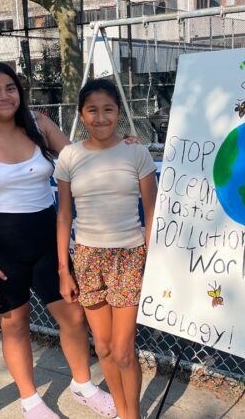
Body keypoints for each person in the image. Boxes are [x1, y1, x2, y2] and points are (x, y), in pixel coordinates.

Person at [0, 62, 117, 419]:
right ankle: (30, 400)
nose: (3, 96)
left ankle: (83, 385)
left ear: (19, 91)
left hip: (46, 242)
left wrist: (118, 144)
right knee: (15, 324)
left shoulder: (39, 125)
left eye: (9, 87)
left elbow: (80, 158)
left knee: (73, 317)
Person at [55, 79, 157, 419]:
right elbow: (64, 214)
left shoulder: (136, 152)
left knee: (124, 350)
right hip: (86, 258)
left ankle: (132, 414)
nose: (101, 118)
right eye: (93, 110)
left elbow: (152, 209)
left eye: (108, 110)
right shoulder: (70, 155)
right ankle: (122, 408)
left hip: (128, 256)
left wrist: (152, 257)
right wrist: (63, 270)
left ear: (118, 114)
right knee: (103, 348)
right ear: (82, 115)